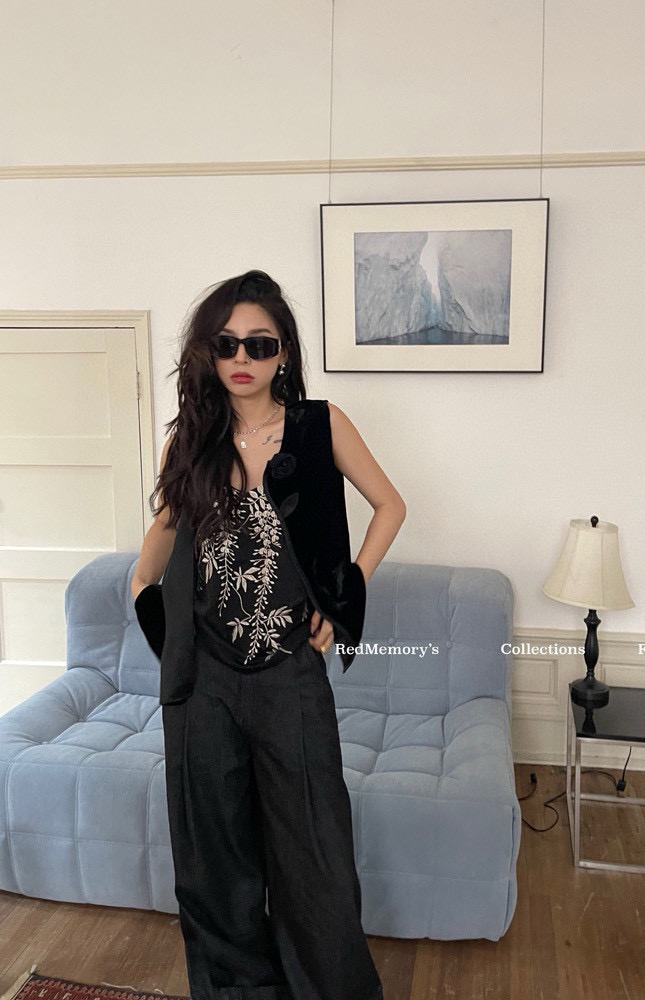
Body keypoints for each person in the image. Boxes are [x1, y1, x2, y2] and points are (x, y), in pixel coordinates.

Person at [130, 269, 406, 1000]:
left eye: (260, 343)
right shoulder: (192, 443)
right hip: (204, 682)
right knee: (214, 862)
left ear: (283, 352)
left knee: (314, 856)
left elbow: (390, 506)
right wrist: (147, 599)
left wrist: (341, 595)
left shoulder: (320, 427)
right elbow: (155, 552)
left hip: (289, 673)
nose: (242, 357)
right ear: (208, 353)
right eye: (227, 344)